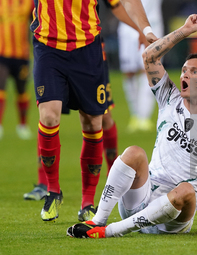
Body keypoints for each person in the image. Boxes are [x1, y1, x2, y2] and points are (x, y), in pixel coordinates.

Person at [67, 12, 197, 238]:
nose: (185, 74)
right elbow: (149, 56)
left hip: (174, 217)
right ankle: (97, 220)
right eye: (185, 70)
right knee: (134, 153)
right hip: (141, 199)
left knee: (187, 190)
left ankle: (110, 231)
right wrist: (184, 31)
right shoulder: (170, 98)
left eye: (194, 71)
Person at [31, 0, 157, 223]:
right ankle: (52, 191)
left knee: (93, 123)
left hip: (87, 50)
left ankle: (87, 202)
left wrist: (144, 29)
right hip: (48, 47)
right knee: (49, 115)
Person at [118, 0, 164, 132]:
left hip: (152, 25)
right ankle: (135, 115)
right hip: (127, 28)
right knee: (129, 71)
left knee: (148, 69)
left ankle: (144, 116)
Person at [0, 0, 34, 140]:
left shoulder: (29, 3)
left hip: (22, 55)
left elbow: (37, 24)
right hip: (2, 54)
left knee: (22, 90)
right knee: (1, 87)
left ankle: (23, 126)